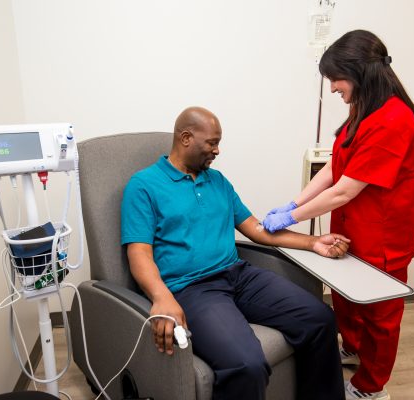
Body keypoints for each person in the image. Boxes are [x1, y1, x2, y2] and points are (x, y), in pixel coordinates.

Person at [121, 106, 350, 400]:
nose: (217, 151)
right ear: (186, 138)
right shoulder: (144, 186)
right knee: (246, 363)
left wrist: (313, 242)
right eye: (212, 143)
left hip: (239, 275)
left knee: (321, 319)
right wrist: (161, 296)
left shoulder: (217, 181)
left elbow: (255, 227)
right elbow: (138, 252)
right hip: (191, 289)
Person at [263, 30, 414, 400]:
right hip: (352, 228)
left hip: (384, 236)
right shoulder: (363, 107)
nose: (333, 88)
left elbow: (345, 190)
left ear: (358, 72)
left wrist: (292, 218)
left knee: (381, 316)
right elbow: (337, 165)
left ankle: (371, 386)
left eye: (336, 78)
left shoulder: (394, 120)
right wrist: (293, 203)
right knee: (347, 301)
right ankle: (352, 348)